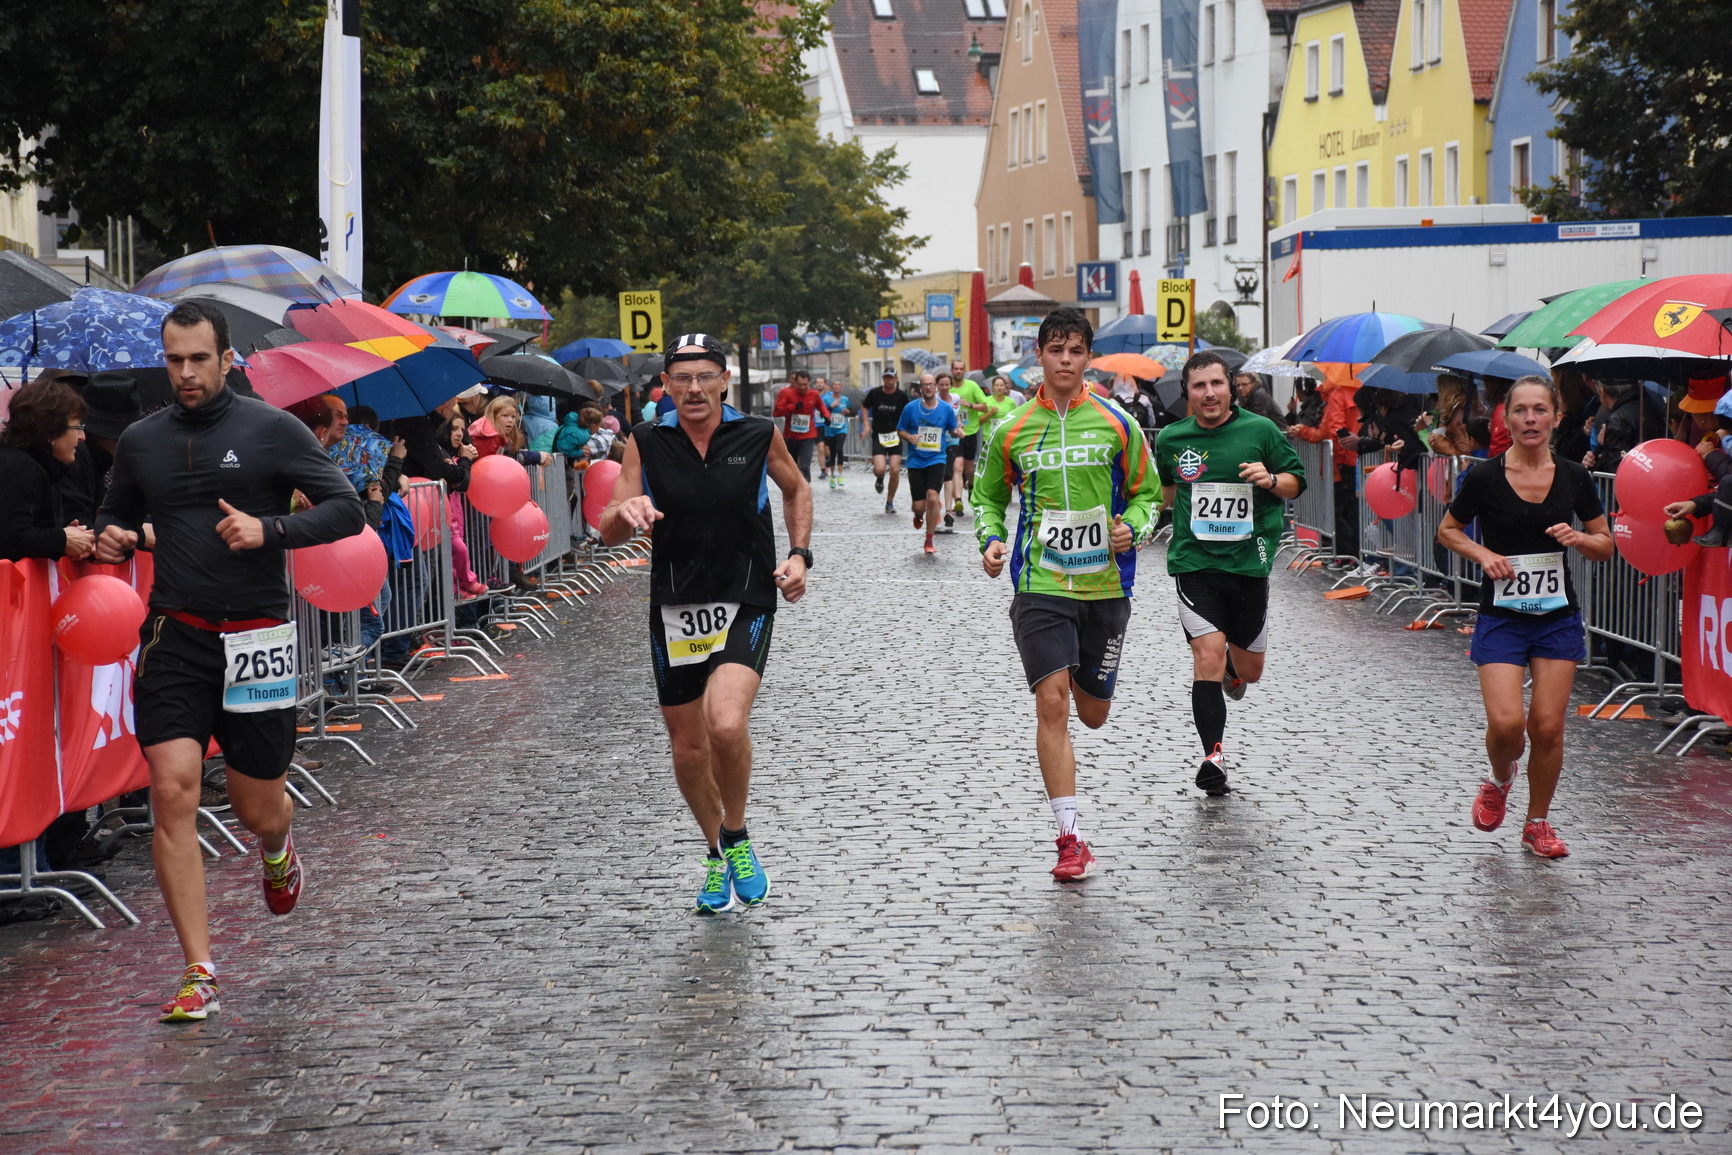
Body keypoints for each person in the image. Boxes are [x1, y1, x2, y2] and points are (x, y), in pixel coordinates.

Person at [92, 300, 364, 1021]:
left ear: (227, 358)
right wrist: (112, 536)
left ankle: (278, 846)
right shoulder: (141, 441)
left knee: (254, 806)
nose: (183, 373)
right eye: (172, 359)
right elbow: (112, 511)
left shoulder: (271, 429)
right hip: (176, 633)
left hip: (257, 638)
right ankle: (199, 969)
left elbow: (347, 510)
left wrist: (269, 527)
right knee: (173, 787)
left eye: (197, 359)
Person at [600, 334, 812, 913]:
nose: (694, 388)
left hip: (746, 593)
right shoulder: (645, 440)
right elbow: (608, 527)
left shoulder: (757, 432)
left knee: (724, 724)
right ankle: (714, 853)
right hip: (674, 604)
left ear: (724, 381)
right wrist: (627, 511)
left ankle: (737, 836)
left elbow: (795, 488)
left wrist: (798, 555)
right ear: (665, 386)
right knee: (689, 750)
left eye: (705, 377)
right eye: (682, 378)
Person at [972, 308, 1157, 880]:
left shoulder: (1117, 422)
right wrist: (991, 539)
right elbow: (985, 497)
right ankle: (1070, 837)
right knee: (1050, 702)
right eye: (1056, 350)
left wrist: (1137, 526)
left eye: (1076, 351)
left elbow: (1148, 492)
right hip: (1039, 583)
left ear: (1087, 356)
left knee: (1093, 713)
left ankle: (1083, 673)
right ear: (1039, 355)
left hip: (1105, 584)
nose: (1066, 361)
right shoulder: (1011, 428)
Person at [1437, 375, 1612, 859]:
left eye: (1540, 410)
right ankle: (1499, 777)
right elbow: (1448, 530)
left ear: (1556, 417)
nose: (1530, 419)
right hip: (1503, 615)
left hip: (1557, 617)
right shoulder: (1486, 476)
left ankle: (1537, 823)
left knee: (1549, 727)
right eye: (1520, 411)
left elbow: (1606, 544)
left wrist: (1580, 539)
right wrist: (1482, 553)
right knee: (1509, 725)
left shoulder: (1575, 476)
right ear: (1506, 418)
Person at [1155, 351, 1306, 796]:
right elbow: (1164, 490)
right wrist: (1141, 521)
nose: (1209, 393)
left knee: (1250, 670)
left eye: (1216, 384)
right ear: (1188, 392)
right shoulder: (1171, 439)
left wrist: (1270, 479)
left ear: (1231, 387)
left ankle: (1232, 673)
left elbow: (1297, 480)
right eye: (1199, 386)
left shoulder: (1260, 430)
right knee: (1206, 655)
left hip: (1248, 562)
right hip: (1194, 562)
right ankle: (1213, 757)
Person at [0, 375, 95, 562]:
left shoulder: (39, 467)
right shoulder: (19, 468)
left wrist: (68, 534)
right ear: (51, 430)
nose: (82, 437)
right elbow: (10, 538)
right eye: (77, 427)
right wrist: (63, 539)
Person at [899, 373, 964, 555]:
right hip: (915, 461)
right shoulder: (910, 408)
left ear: (935, 387)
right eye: (924, 385)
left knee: (933, 496)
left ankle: (929, 540)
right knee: (919, 506)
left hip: (937, 458)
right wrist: (908, 437)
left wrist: (958, 432)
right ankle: (919, 515)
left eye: (931, 384)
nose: (928, 387)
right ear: (920, 388)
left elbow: (952, 428)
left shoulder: (945, 409)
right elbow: (900, 430)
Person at [861, 368, 909, 512]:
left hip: (895, 436)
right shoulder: (875, 393)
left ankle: (889, 502)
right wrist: (866, 424)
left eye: (891, 378)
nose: (889, 380)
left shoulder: (901, 396)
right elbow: (864, 406)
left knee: (895, 470)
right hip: (879, 435)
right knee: (880, 468)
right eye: (886, 378)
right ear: (883, 378)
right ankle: (880, 478)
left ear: (896, 379)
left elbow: (909, 411)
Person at [771, 368, 829, 482]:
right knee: (791, 467)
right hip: (791, 436)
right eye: (800, 384)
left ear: (809, 383)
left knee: (805, 466)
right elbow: (776, 412)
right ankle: (793, 489)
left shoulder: (813, 394)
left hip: (808, 435)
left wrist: (826, 416)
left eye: (805, 385)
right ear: (795, 382)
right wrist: (792, 407)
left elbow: (821, 407)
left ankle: (806, 491)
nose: (802, 387)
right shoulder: (786, 393)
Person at [819, 380, 851, 488]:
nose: (837, 387)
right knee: (832, 452)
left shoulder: (845, 399)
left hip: (842, 428)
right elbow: (822, 413)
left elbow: (850, 410)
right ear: (832, 387)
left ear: (841, 387)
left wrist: (847, 412)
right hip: (830, 429)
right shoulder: (826, 399)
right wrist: (832, 406)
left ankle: (840, 475)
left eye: (839, 385)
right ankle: (832, 476)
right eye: (835, 385)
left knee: (839, 449)